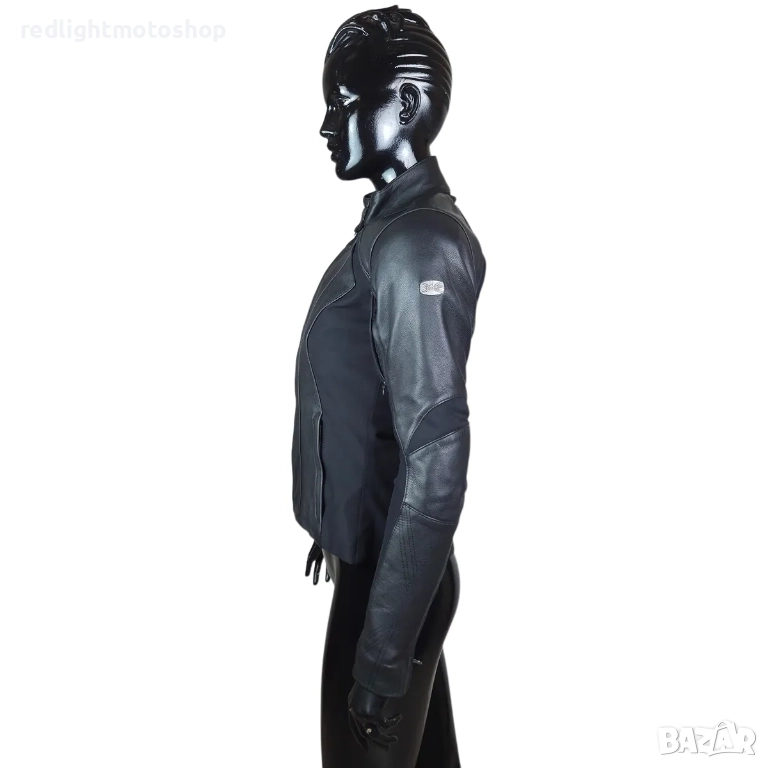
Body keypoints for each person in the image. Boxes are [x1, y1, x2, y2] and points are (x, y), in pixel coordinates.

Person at [291, 6, 487, 766]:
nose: (325, 125)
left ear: (404, 104)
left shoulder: (418, 244)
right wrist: (336, 521)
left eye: (342, 103)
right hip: (378, 567)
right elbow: (364, 404)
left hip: (390, 593)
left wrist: (381, 657)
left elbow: (436, 454)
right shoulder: (387, 231)